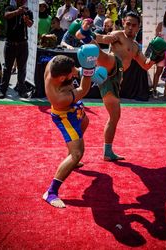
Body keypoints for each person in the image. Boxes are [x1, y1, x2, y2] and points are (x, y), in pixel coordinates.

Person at [73, 12, 166, 161]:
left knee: (114, 117)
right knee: (108, 58)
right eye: (128, 24)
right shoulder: (118, 35)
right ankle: (86, 37)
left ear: (138, 27)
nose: (130, 27)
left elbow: (146, 65)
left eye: (134, 25)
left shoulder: (136, 47)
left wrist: (156, 56)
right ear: (123, 23)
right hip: (110, 65)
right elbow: (103, 38)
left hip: (113, 80)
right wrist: (88, 34)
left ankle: (107, 152)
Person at [42, 44, 108, 208]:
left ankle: (70, 156)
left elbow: (69, 69)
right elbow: (84, 89)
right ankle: (51, 192)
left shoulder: (54, 63)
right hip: (65, 116)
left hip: (75, 108)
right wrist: (88, 69)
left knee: (85, 121)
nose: (74, 73)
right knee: (78, 153)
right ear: (63, 78)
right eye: (72, 73)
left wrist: (82, 68)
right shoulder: (59, 97)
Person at [0, 0, 34, 99]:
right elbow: (6, 16)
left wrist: (27, 20)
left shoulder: (28, 11)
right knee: (7, 68)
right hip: (10, 43)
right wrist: (17, 12)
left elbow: (30, 24)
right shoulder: (10, 8)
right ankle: (2, 90)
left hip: (23, 44)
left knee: (22, 68)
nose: (22, 1)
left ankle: (21, 90)